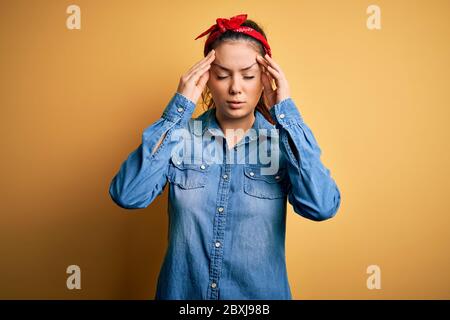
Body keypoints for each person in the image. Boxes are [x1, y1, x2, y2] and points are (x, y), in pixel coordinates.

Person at [109, 13, 341, 300]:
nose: (235, 88)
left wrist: (287, 115)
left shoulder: (283, 145)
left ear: (265, 79)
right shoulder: (179, 139)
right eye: (221, 75)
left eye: (248, 75)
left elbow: (321, 207)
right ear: (206, 80)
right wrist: (177, 111)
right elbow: (129, 194)